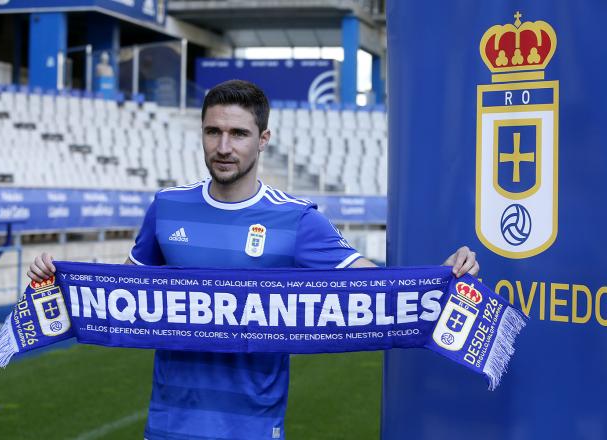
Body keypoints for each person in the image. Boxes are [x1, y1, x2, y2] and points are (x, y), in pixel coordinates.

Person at [28, 80, 479, 440]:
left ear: (263, 140)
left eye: (238, 133)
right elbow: (120, 292)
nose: (223, 146)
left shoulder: (298, 220)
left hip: (253, 425)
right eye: (213, 131)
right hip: (169, 422)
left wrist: (439, 280)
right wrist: (60, 279)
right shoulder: (166, 208)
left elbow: (377, 291)